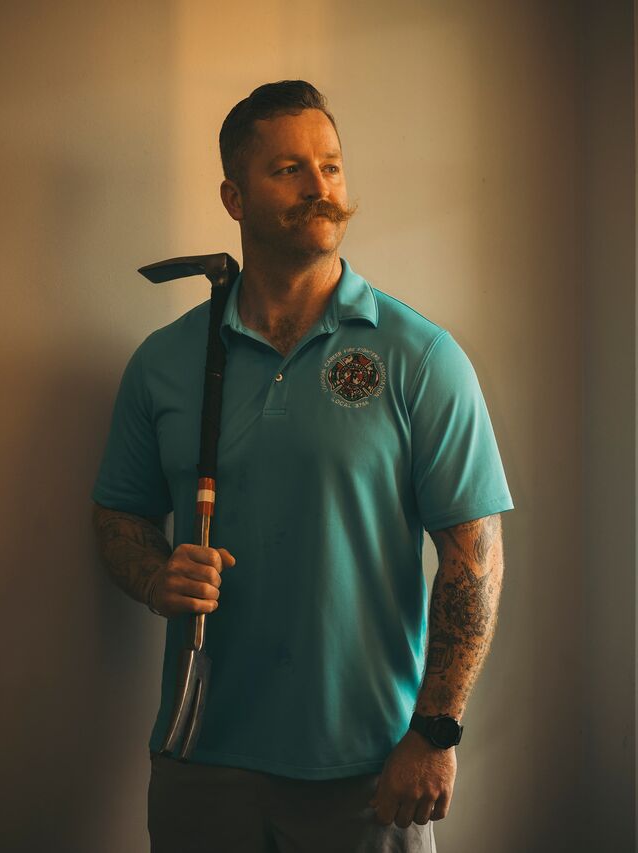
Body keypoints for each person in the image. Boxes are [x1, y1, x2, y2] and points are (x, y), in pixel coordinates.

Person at [92, 80, 514, 853]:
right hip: (199, 762)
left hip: (370, 772)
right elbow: (119, 515)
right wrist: (156, 576)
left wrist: (436, 731)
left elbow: (473, 558)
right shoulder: (164, 362)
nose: (321, 187)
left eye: (331, 165)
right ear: (233, 195)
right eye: (289, 169)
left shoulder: (421, 356)